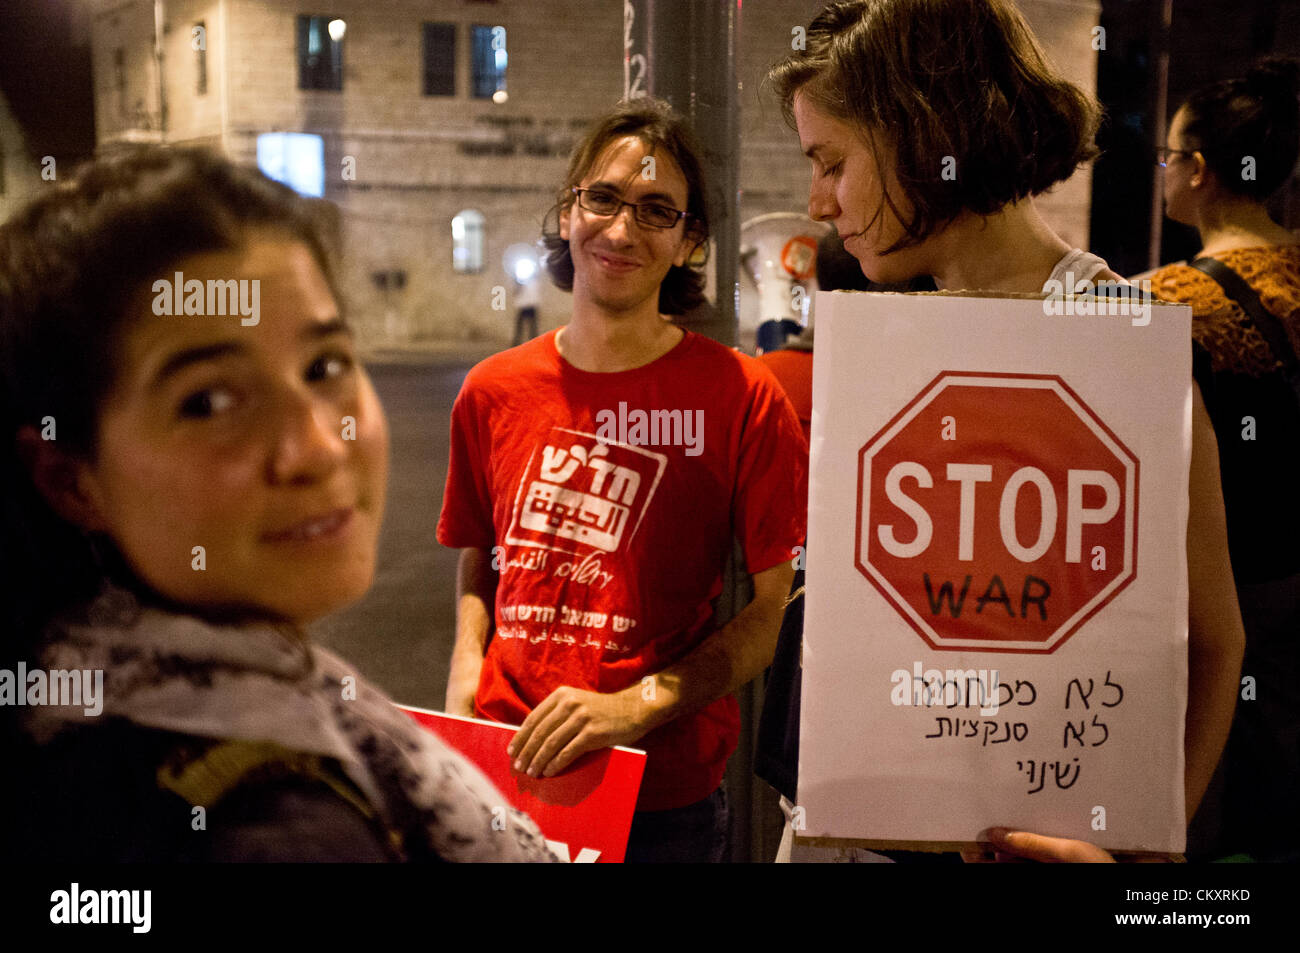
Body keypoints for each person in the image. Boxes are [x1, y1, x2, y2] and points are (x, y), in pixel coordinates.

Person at [762, 0, 1246, 862]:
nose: (816, 201)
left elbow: (1214, 644)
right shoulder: (888, 335)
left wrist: (1142, 856)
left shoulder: (1122, 346)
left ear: (921, 132)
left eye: (830, 161)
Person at [0, 146, 554, 862]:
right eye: (210, 401)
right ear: (69, 476)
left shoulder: (73, 696)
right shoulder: (276, 828)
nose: (318, 447)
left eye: (324, 367)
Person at [437, 98, 808, 863]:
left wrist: (633, 708)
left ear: (688, 241)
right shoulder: (491, 390)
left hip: (659, 796)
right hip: (506, 764)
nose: (620, 229)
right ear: (570, 211)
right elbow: (479, 555)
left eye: (655, 209)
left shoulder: (742, 396)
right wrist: (464, 687)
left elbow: (774, 610)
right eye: (602, 198)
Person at [1148, 59, 1300, 862]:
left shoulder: (1167, 303)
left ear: (1200, 171)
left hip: (1225, 608)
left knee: (1206, 820)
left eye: (1169, 157)